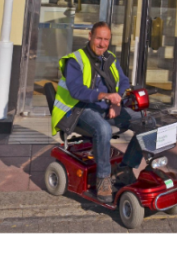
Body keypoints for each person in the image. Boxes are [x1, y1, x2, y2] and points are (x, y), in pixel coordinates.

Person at [50, 21, 146, 201]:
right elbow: (77, 91)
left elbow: (124, 82)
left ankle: (126, 168)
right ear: (90, 37)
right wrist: (105, 96)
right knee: (103, 129)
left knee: (146, 121)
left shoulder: (110, 58)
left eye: (106, 40)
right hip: (78, 110)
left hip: (106, 108)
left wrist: (117, 101)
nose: (102, 44)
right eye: (99, 39)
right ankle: (103, 181)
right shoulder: (75, 60)